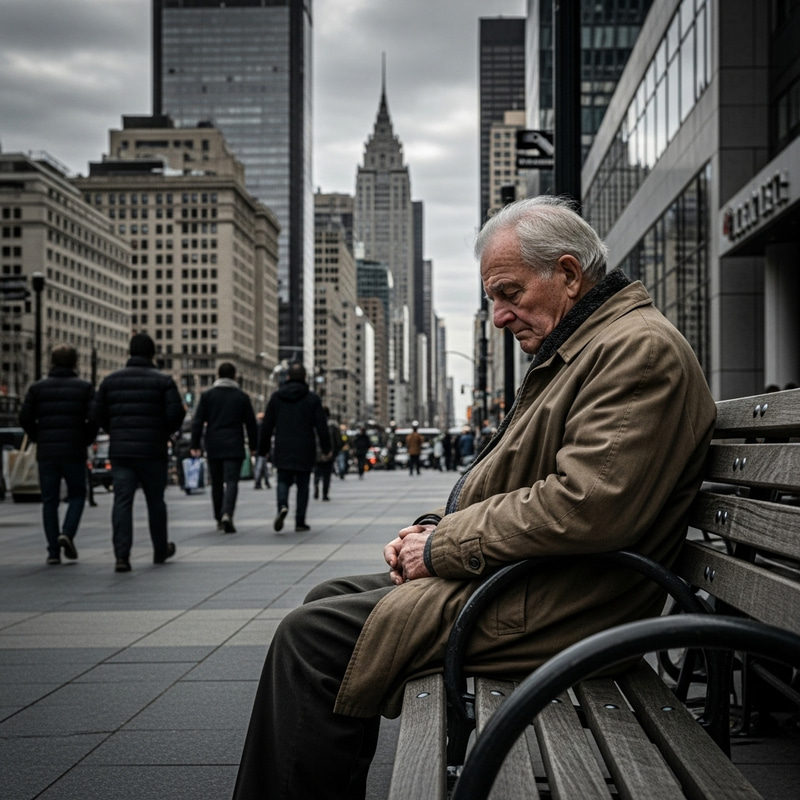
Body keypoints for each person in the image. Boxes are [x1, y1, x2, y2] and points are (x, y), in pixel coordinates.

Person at [231, 196, 717, 800]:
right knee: (328, 599)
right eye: (492, 298)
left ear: (568, 275)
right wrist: (430, 531)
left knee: (312, 638)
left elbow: (587, 504)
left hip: (576, 599)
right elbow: (519, 481)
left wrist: (441, 546)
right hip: (543, 578)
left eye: (508, 293)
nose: (498, 316)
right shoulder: (582, 349)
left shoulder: (633, 351)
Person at [92, 333, 185, 572]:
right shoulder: (163, 381)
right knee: (156, 501)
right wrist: (162, 431)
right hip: (153, 451)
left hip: (122, 451)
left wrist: (114, 430)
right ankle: (159, 549)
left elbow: (96, 414)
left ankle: (122, 556)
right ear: (152, 354)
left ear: (130, 353)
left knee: (122, 501)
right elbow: (177, 414)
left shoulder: (110, 381)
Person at [19, 345, 97, 565]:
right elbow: (94, 418)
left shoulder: (37, 388)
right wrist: (85, 439)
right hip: (74, 450)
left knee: (49, 501)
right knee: (77, 495)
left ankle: (53, 551)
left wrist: (38, 437)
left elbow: (24, 418)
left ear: (51, 362)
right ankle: (68, 533)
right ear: (75, 363)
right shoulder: (84, 388)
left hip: (47, 453)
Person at [259, 362, 331, 533]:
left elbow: (267, 425)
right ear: (305, 378)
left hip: (283, 445)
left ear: (288, 377)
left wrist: (263, 448)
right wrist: (327, 447)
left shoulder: (276, 397)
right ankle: (300, 521)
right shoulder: (312, 398)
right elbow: (321, 426)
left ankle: (282, 506)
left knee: (283, 480)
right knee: (303, 485)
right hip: (305, 447)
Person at [190, 362, 258, 533]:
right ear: (234, 375)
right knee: (232, 481)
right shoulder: (241, 397)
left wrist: (195, 444)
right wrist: (254, 446)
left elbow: (198, 421)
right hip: (234, 444)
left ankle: (219, 518)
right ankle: (228, 512)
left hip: (214, 443)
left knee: (217, 483)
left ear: (217, 375)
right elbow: (251, 424)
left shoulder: (208, 396)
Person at [314, 407, 341, 501]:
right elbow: (338, 441)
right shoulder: (332, 426)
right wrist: (335, 452)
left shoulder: (313, 425)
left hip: (316, 454)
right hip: (329, 454)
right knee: (327, 475)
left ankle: (316, 483)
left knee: (317, 472)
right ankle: (325, 493)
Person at [252, 413, 271, 490]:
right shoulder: (265, 427)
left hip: (258, 450)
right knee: (262, 467)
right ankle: (264, 481)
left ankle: (259, 482)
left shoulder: (256, 427)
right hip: (262, 449)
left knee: (260, 467)